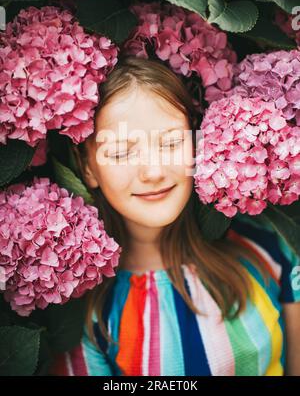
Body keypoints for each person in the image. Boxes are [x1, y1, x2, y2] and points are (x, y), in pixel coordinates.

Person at [52, 57, 300, 376]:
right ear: (88, 167)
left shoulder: (267, 245)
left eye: (171, 142)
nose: (153, 172)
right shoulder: (88, 317)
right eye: (120, 152)